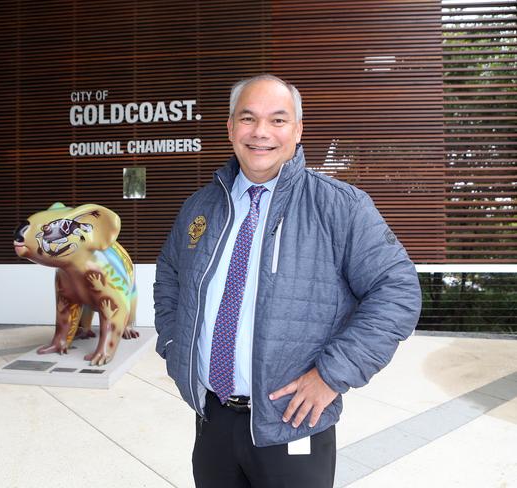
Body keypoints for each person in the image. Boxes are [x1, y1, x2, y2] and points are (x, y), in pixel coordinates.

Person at [153, 74, 422, 488]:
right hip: (213, 418)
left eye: (278, 120)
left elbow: (397, 291)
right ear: (230, 128)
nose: (261, 132)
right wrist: (173, 346)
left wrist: (333, 375)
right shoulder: (200, 206)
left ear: (297, 130)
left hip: (294, 425)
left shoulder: (340, 207)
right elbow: (170, 275)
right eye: (248, 118)